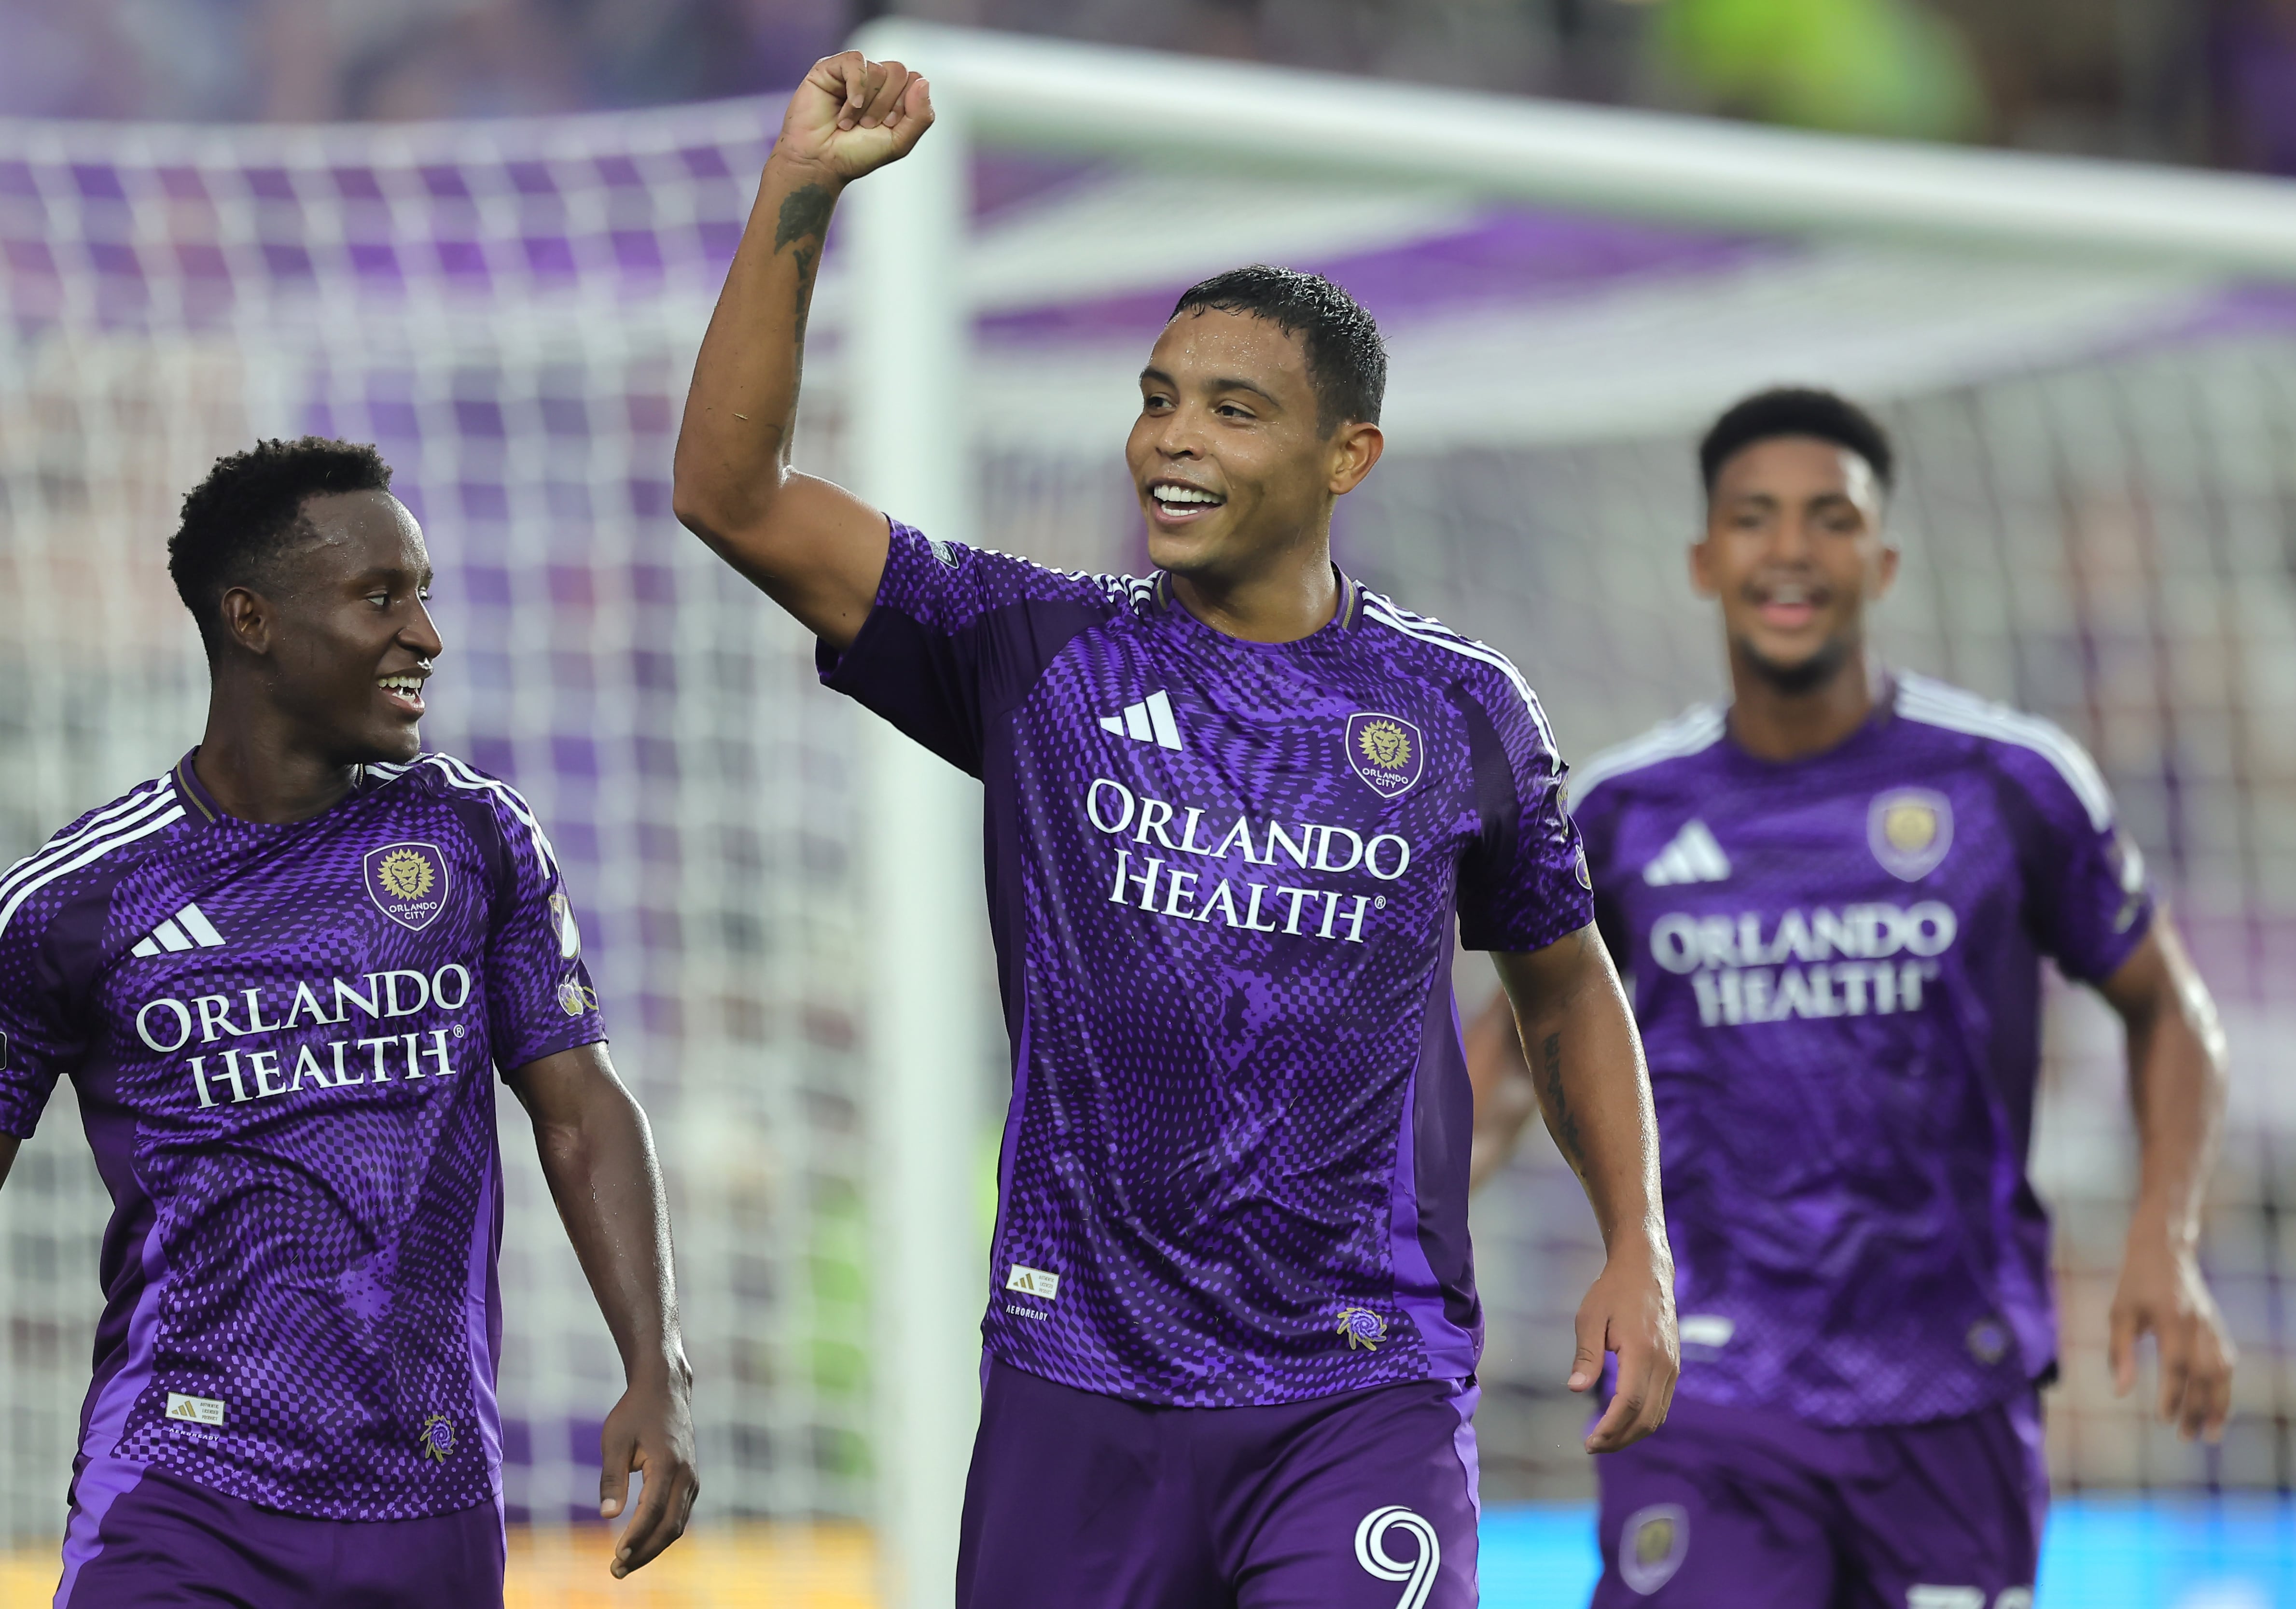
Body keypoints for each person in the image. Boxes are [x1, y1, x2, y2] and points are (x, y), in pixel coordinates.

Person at [670, 51, 1678, 1604]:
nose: (1171, 438)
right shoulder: (1034, 650)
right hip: (1076, 1375)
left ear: (1348, 457)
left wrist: (1635, 1241)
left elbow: (1562, 982)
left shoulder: (1462, 710)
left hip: (1358, 1382)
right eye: (1155, 400)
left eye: (1231, 408)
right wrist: (800, 191)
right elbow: (732, 493)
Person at [1466, 388, 2236, 1607]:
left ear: (1881, 560)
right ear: (1704, 558)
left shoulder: (2010, 783)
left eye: (1829, 518)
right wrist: (1388, 1233)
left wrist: (2164, 1236)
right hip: (1705, 1380)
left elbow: (2168, 1009)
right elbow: (1516, 1052)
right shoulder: (1621, 812)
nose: (1790, 550)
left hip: (1950, 1390)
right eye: (1754, 518)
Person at [0, 438, 699, 1607]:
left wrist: (656, 1362)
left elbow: (582, 1109)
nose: (426, 634)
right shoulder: (78, 901)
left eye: (423, 593)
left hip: (429, 1500)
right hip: (177, 1495)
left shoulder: (474, 838)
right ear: (252, 620)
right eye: (382, 597)